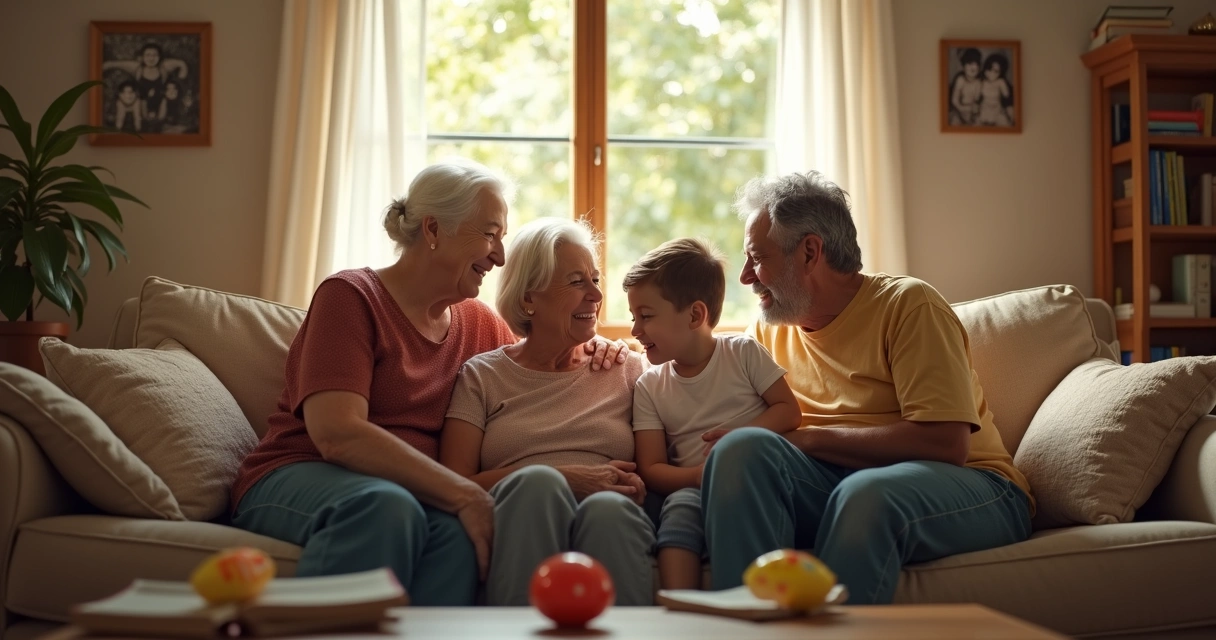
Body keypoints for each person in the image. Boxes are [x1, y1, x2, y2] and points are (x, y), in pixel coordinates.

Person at [229, 160, 628, 606]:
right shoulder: (351, 297)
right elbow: (336, 434)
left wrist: (596, 349)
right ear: (435, 229)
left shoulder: (478, 323)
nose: (499, 256)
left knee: (455, 535)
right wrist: (462, 493)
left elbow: (532, 364)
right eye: (491, 234)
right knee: (386, 506)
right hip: (303, 473)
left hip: (409, 492)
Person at [702, 171, 1034, 605]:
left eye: (756, 257)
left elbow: (946, 442)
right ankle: (746, 629)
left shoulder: (908, 305)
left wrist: (809, 440)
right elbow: (699, 370)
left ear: (809, 252)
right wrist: (606, 355)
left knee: (865, 495)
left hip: (973, 486)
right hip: (839, 483)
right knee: (741, 450)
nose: (746, 276)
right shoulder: (768, 332)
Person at [440, 217, 655, 607]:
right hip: (524, 507)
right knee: (538, 486)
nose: (595, 294)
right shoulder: (482, 376)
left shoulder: (625, 366)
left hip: (611, 507)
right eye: (576, 282)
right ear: (528, 299)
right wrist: (563, 476)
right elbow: (455, 482)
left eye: (595, 279)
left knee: (609, 510)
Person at [623, 237, 800, 590]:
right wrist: (702, 476)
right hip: (691, 487)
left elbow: (788, 412)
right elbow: (652, 468)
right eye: (632, 317)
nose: (634, 330)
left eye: (646, 316)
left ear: (695, 315)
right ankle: (681, 612)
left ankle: (745, 603)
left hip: (751, 483)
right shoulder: (649, 386)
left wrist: (740, 437)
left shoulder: (743, 352)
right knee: (678, 516)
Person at [102, 42, 188, 128]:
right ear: (142, 57)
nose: (151, 58)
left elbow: (182, 64)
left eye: (154, 55)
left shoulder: (164, 66)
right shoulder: (136, 67)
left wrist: (180, 79)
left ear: (159, 57)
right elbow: (111, 64)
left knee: (162, 113)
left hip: (160, 100)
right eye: (148, 55)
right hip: (142, 101)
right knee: (141, 109)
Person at [948, 47, 983, 126]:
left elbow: (978, 99)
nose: (973, 67)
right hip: (959, 110)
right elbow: (954, 100)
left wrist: (974, 109)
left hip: (973, 112)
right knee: (954, 122)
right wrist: (961, 108)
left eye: (976, 64)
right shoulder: (961, 79)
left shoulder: (979, 81)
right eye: (970, 64)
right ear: (963, 66)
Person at [978, 52, 1013, 127]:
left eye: (996, 71)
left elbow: (1006, 95)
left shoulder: (1000, 82)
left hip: (997, 108)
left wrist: (1003, 84)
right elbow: (977, 96)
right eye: (989, 69)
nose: (991, 73)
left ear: (1000, 73)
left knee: (1004, 123)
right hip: (985, 108)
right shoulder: (982, 82)